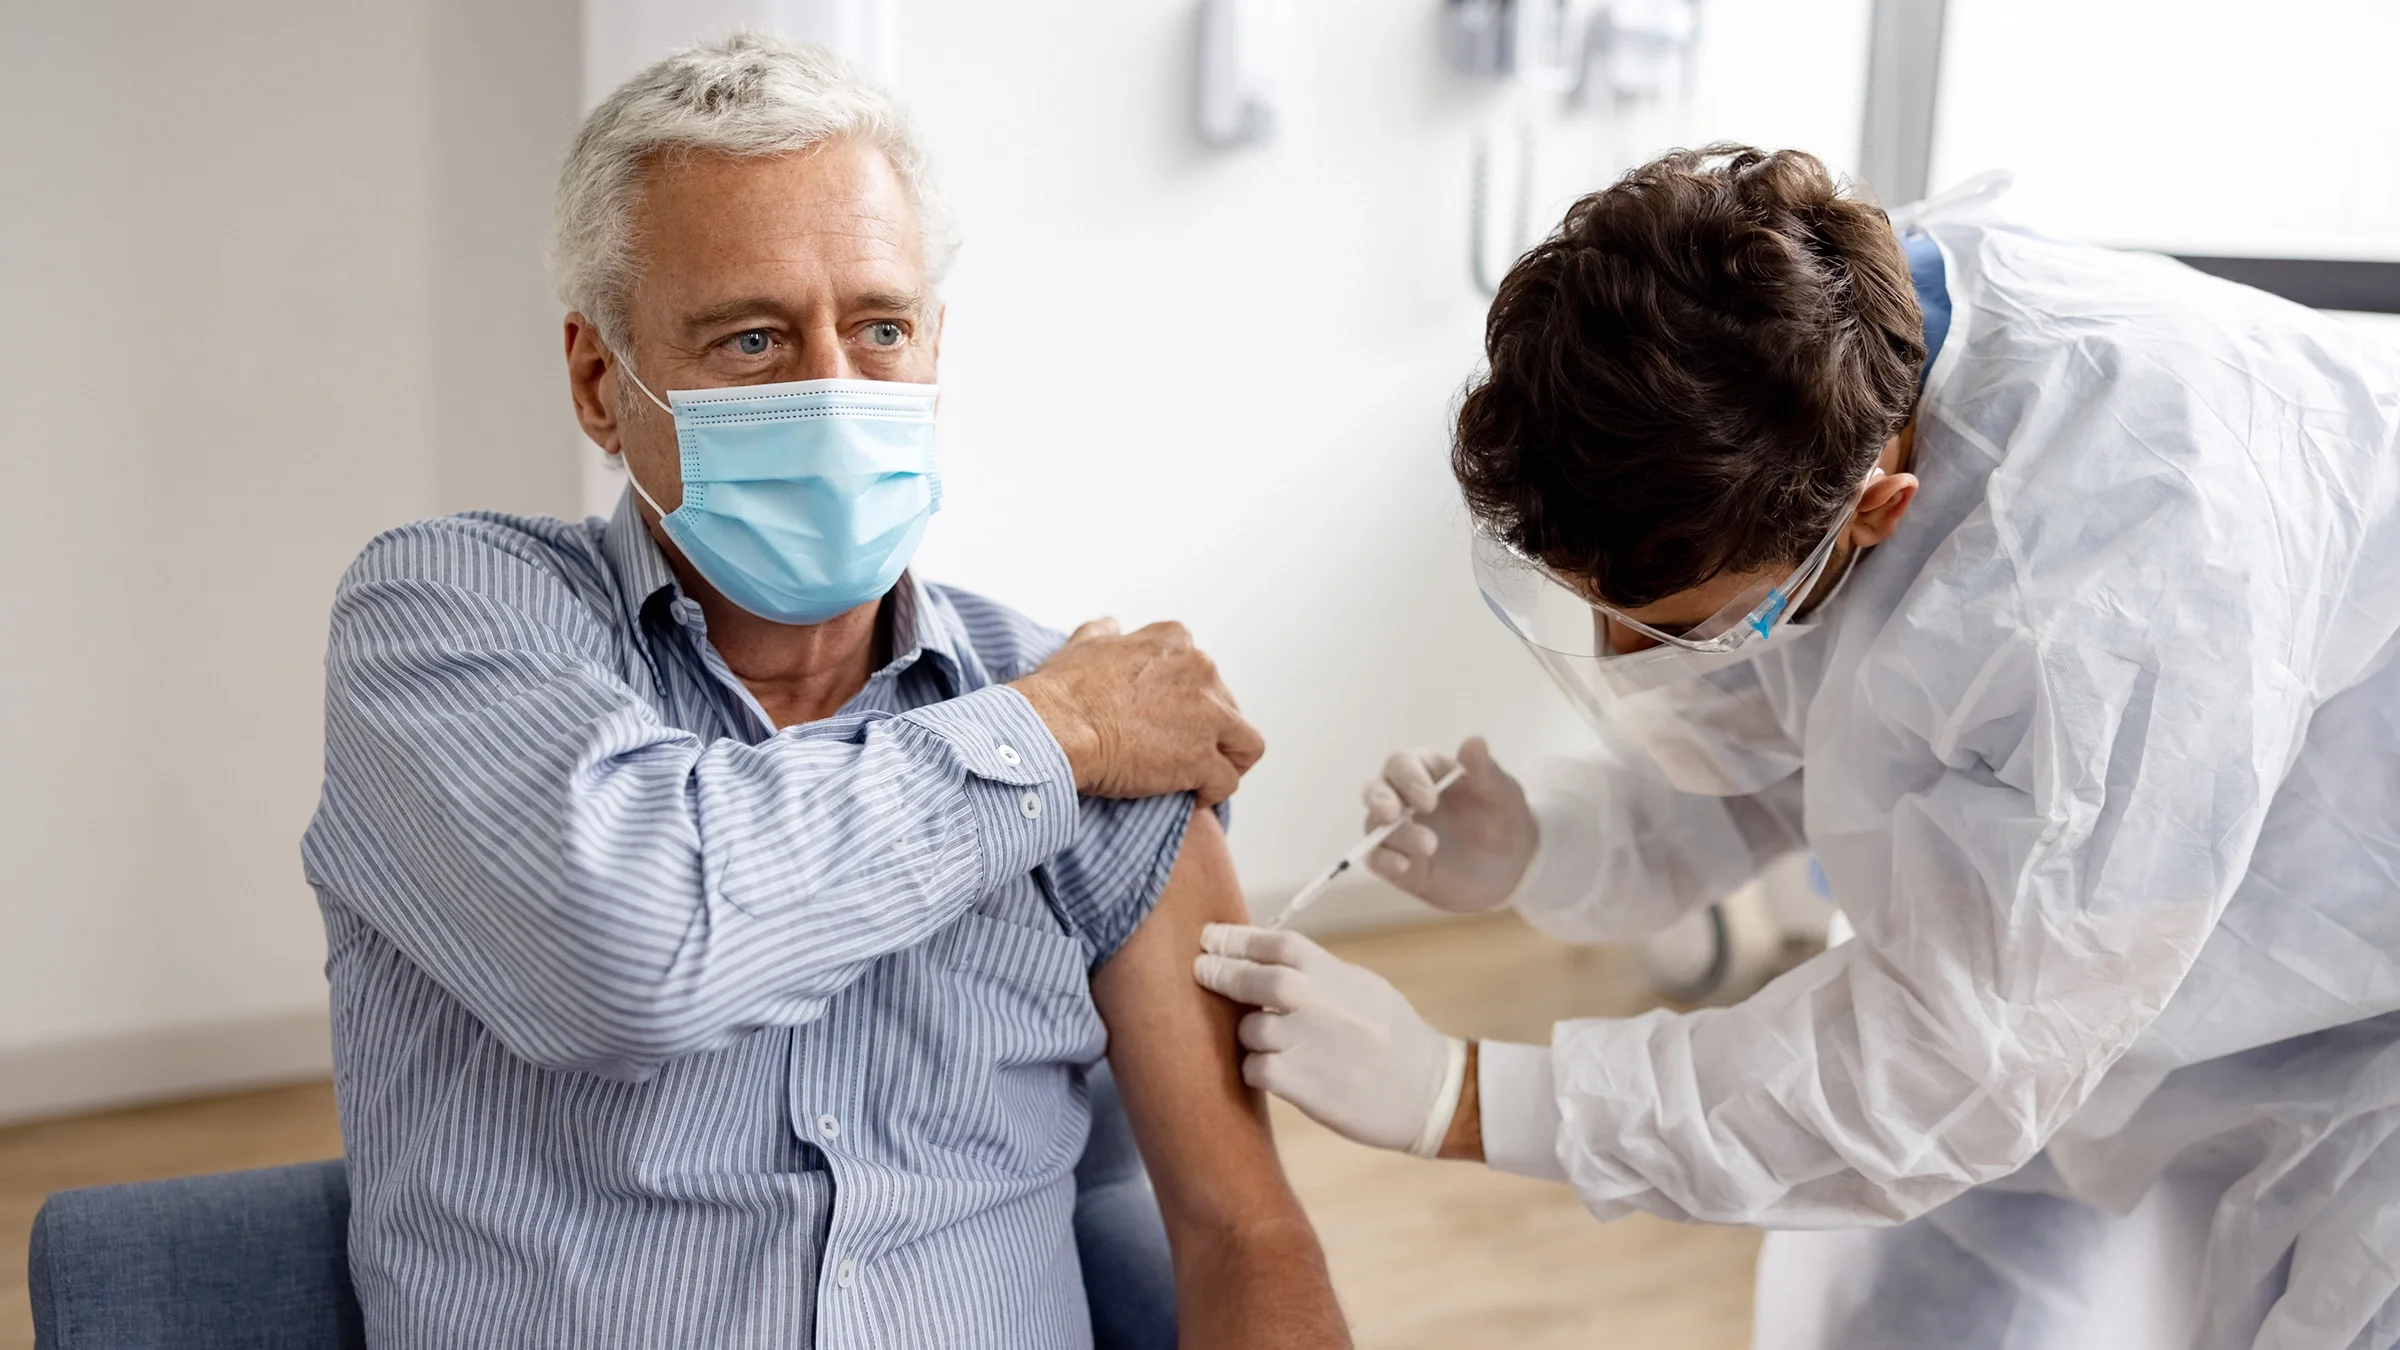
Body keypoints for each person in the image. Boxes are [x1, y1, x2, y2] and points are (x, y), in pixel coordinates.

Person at [1196, 145, 2400, 1349]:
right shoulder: (1815, 343)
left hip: (2358, 1041)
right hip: (2092, 974)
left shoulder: (2112, 592)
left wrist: (1462, 1095)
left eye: (1675, 627)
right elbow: (1825, 733)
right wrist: (1548, 840)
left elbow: (1946, 1073)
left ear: (1881, 508)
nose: (1625, 662)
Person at [302, 33, 1348, 1349]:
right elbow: (632, 956)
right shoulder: (450, 615)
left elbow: (1244, 1234)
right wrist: (1055, 732)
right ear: (598, 383)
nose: (834, 391)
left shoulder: (1097, 725)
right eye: (751, 338)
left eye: (880, 327)